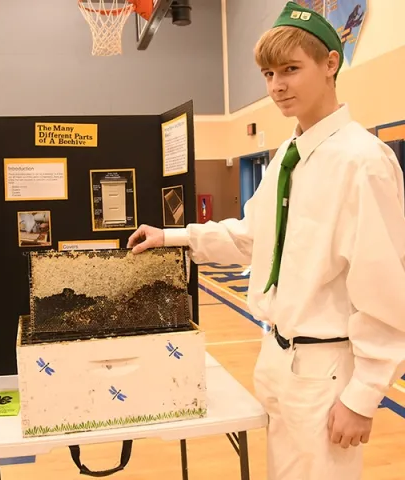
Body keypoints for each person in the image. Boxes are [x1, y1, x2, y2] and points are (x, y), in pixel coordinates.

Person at [127, 2, 405, 479]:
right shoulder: (287, 157)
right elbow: (249, 237)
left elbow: (386, 289)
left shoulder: (363, 161)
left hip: (327, 368)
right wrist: (172, 236)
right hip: (277, 358)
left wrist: (363, 394)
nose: (276, 86)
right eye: (268, 73)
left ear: (331, 64)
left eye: (291, 70)